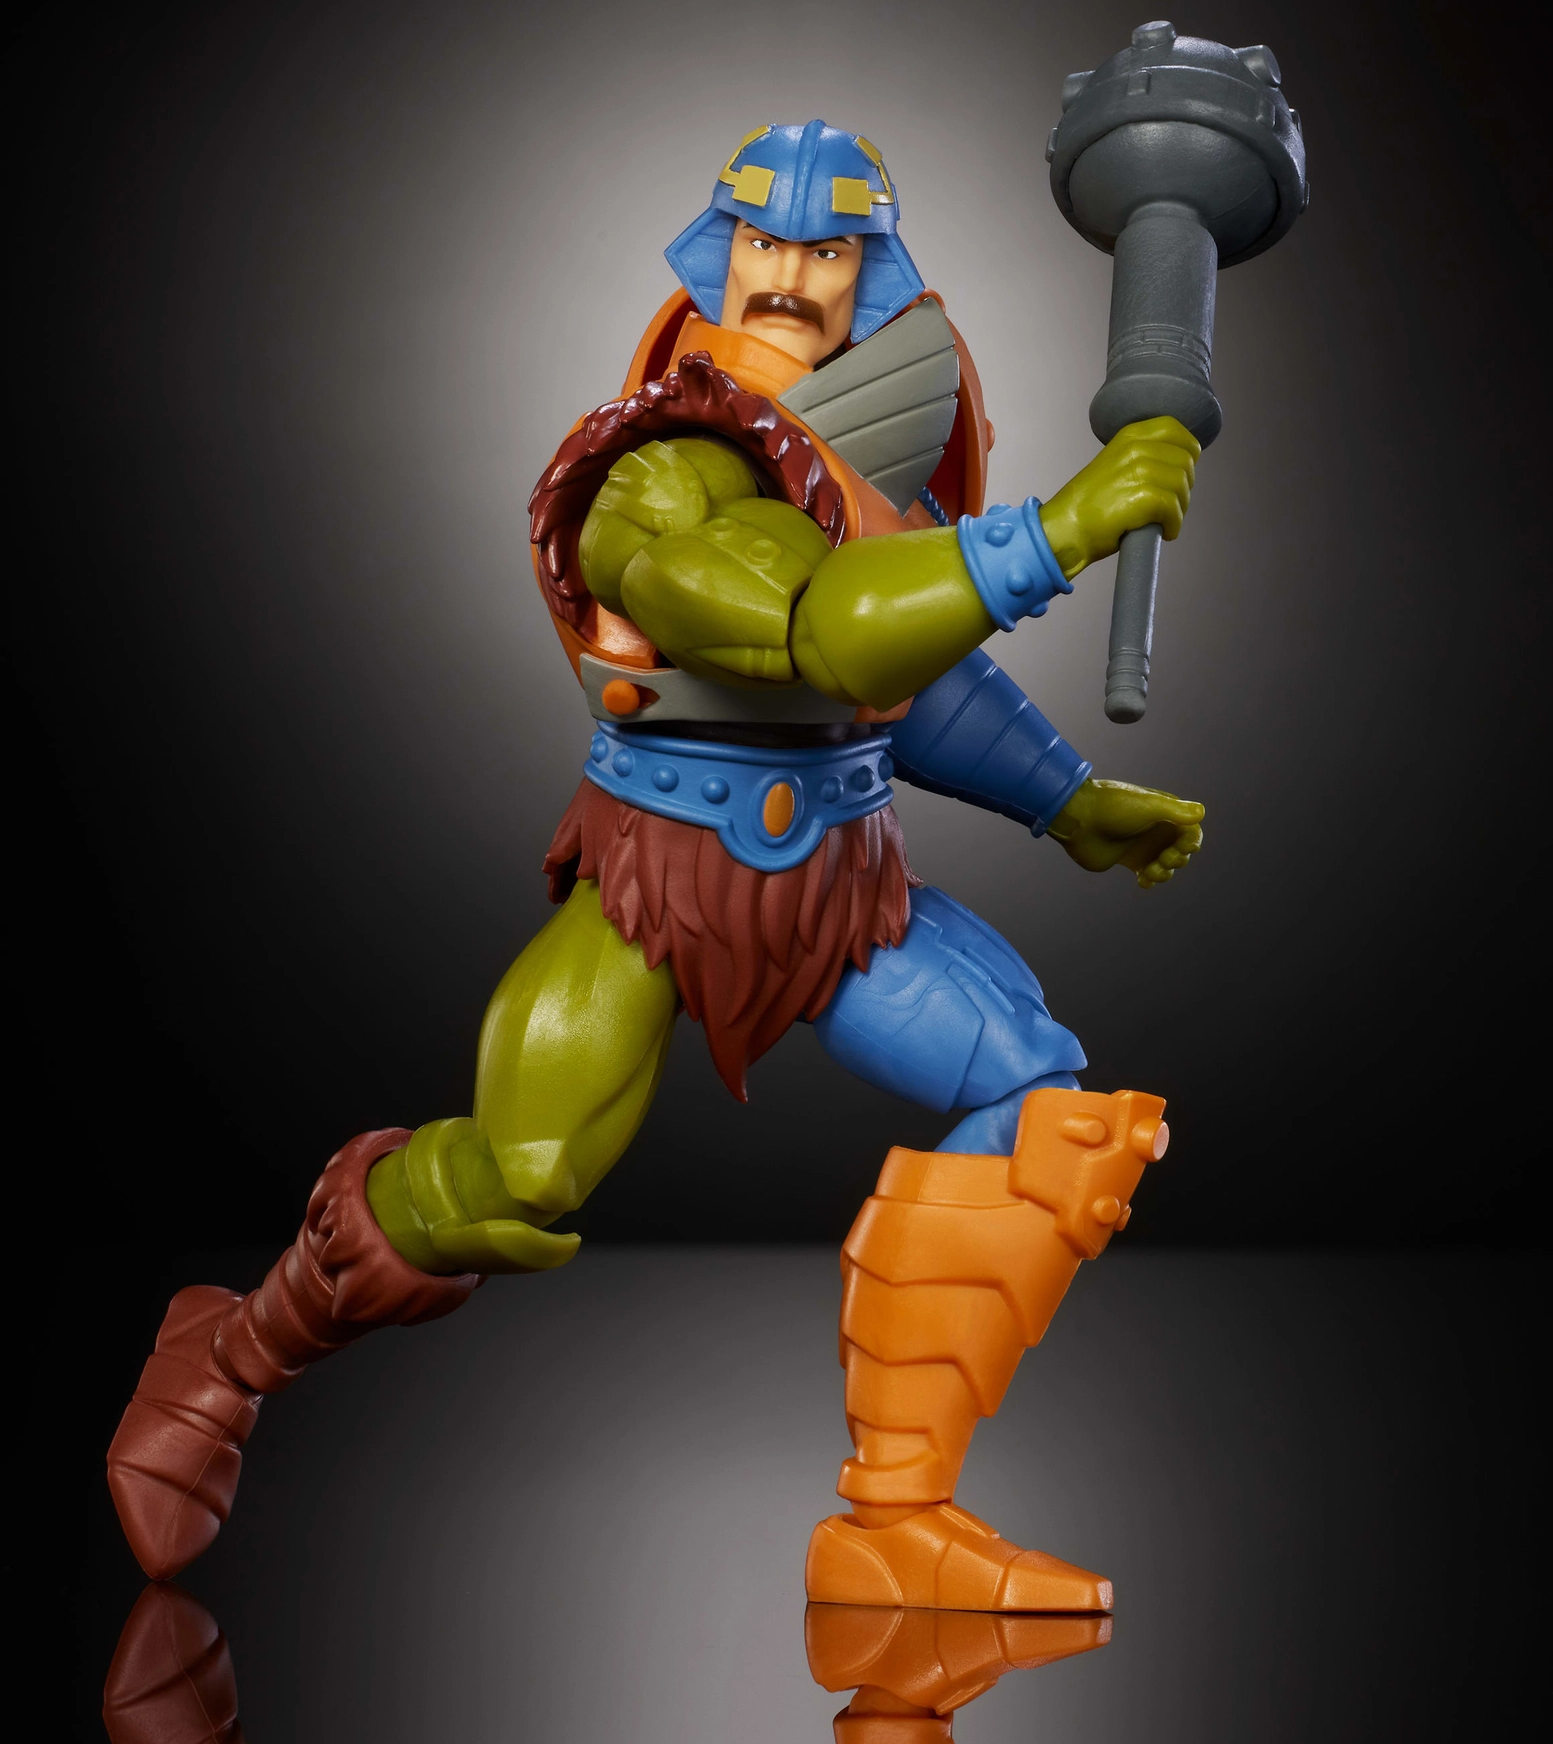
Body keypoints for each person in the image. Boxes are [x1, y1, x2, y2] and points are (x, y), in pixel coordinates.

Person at [109, 120, 1205, 1613]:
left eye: (828, 249)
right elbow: (823, 632)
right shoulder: (655, 468)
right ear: (717, 256)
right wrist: (1064, 528)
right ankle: (232, 1351)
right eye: (765, 241)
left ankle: (894, 1523)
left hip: (841, 887)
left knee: (1044, 1107)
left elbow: (916, 691)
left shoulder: (873, 478)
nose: (792, 275)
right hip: (659, 880)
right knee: (523, 1175)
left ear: (873, 273)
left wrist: (1067, 801)